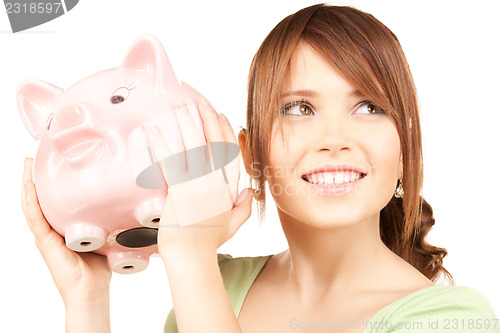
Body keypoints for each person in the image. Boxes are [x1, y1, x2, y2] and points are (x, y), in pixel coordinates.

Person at [21, 4, 498, 333]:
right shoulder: (218, 288)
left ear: (405, 151)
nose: (335, 139)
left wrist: (190, 259)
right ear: (251, 152)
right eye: (298, 109)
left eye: (369, 107)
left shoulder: (452, 318)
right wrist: (86, 300)